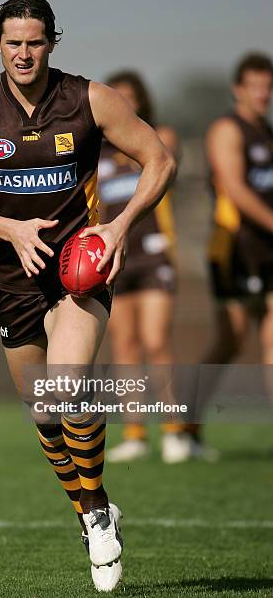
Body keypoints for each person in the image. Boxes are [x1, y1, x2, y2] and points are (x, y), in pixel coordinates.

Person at [0, 0, 175, 592]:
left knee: (67, 389)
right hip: (12, 280)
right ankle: (94, 506)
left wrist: (118, 227)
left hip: (79, 274)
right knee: (42, 414)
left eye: (35, 42)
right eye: (13, 42)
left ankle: (95, 521)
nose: (24, 52)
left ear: (52, 42)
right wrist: (7, 228)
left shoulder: (90, 99)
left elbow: (160, 161)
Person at [98, 71, 190, 464]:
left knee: (156, 341)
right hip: (113, 258)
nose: (124, 102)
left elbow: (166, 155)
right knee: (125, 346)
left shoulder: (158, 138)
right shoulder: (95, 153)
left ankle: (174, 430)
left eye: (130, 96)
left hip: (154, 254)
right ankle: (135, 434)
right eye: (115, 97)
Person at [199, 52, 273, 446]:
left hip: (268, 247)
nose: (262, 94)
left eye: (267, 87)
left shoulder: (268, 133)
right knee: (231, 339)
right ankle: (188, 421)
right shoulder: (227, 130)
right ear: (238, 89)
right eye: (255, 87)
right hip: (233, 247)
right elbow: (236, 190)